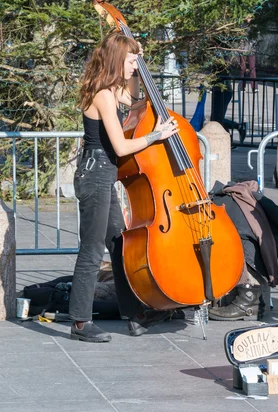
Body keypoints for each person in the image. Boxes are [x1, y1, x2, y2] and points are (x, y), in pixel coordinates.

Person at [70, 31, 180, 342]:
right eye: (131, 61)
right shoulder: (103, 95)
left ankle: (134, 314)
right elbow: (120, 147)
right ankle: (80, 321)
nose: (135, 66)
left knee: (119, 245)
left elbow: (135, 98)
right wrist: (155, 136)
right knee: (92, 249)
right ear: (118, 59)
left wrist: (138, 54)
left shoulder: (116, 90)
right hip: (95, 172)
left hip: (104, 173)